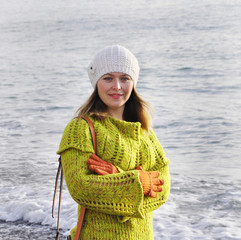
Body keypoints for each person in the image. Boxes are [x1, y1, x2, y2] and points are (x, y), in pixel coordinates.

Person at [57, 45, 170, 240]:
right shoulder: (80, 128)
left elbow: (164, 189)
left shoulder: (145, 132)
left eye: (124, 78)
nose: (117, 86)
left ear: (133, 83)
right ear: (96, 82)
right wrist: (139, 183)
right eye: (108, 78)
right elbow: (81, 188)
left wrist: (118, 176)